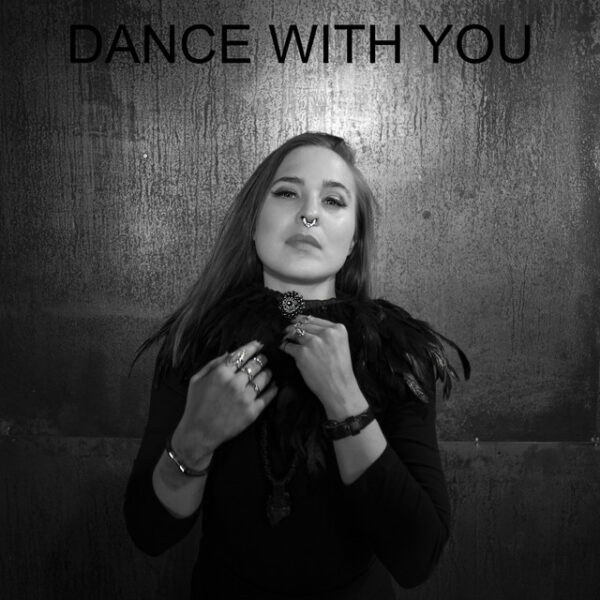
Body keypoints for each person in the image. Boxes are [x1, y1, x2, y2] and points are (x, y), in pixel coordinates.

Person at [124, 132, 469, 599]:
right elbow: (149, 533)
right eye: (287, 193)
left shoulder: (397, 354)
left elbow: (417, 557)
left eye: (333, 201)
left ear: (353, 240)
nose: (309, 214)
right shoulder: (195, 342)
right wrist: (194, 439)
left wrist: (345, 400)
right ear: (253, 221)